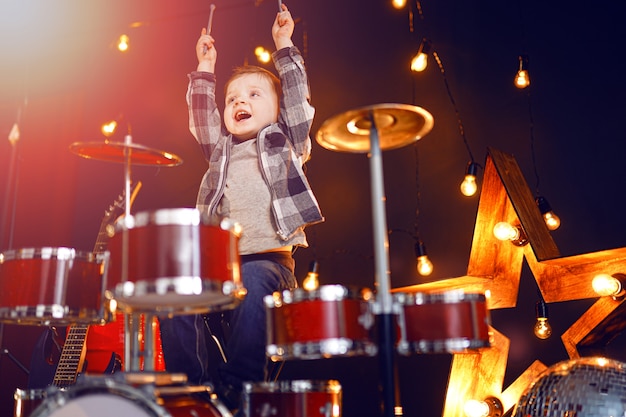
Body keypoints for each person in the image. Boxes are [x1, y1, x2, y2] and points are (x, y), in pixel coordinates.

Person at [158, 3, 324, 414]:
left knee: (253, 276)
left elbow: (300, 105)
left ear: (276, 108)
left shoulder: (287, 140)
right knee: (171, 293)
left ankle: (239, 388)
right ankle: (192, 392)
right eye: (232, 98)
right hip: (218, 269)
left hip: (268, 263)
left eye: (253, 95)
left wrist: (284, 45)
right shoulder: (221, 152)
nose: (239, 102)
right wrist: (204, 69)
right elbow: (201, 117)